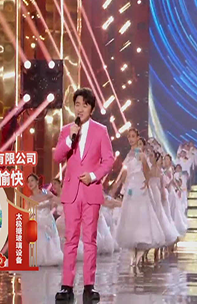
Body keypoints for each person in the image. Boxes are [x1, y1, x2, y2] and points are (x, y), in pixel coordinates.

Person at [53, 88, 115, 303]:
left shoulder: (101, 131)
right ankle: (66, 286)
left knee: (90, 240)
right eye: (77, 104)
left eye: (85, 105)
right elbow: (57, 157)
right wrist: (69, 139)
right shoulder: (67, 130)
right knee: (70, 240)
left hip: (91, 191)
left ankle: (89, 286)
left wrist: (94, 175)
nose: (80, 109)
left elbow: (109, 159)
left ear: (92, 108)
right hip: (71, 193)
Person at [115, 128, 165, 266]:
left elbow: (146, 170)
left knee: (141, 216)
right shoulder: (129, 154)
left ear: (137, 137)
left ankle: (141, 247)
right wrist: (121, 186)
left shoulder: (141, 154)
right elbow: (126, 173)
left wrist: (146, 182)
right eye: (129, 137)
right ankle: (132, 250)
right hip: (131, 188)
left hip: (140, 187)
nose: (131, 139)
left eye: (133, 136)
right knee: (130, 216)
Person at [27, 174, 63, 266]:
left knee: (51, 240)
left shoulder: (45, 192)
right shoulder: (30, 198)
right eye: (28, 182)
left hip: (48, 220)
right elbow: (27, 211)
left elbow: (56, 200)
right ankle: (38, 258)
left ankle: (51, 257)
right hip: (37, 221)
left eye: (32, 180)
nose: (30, 183)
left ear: (37, 181)